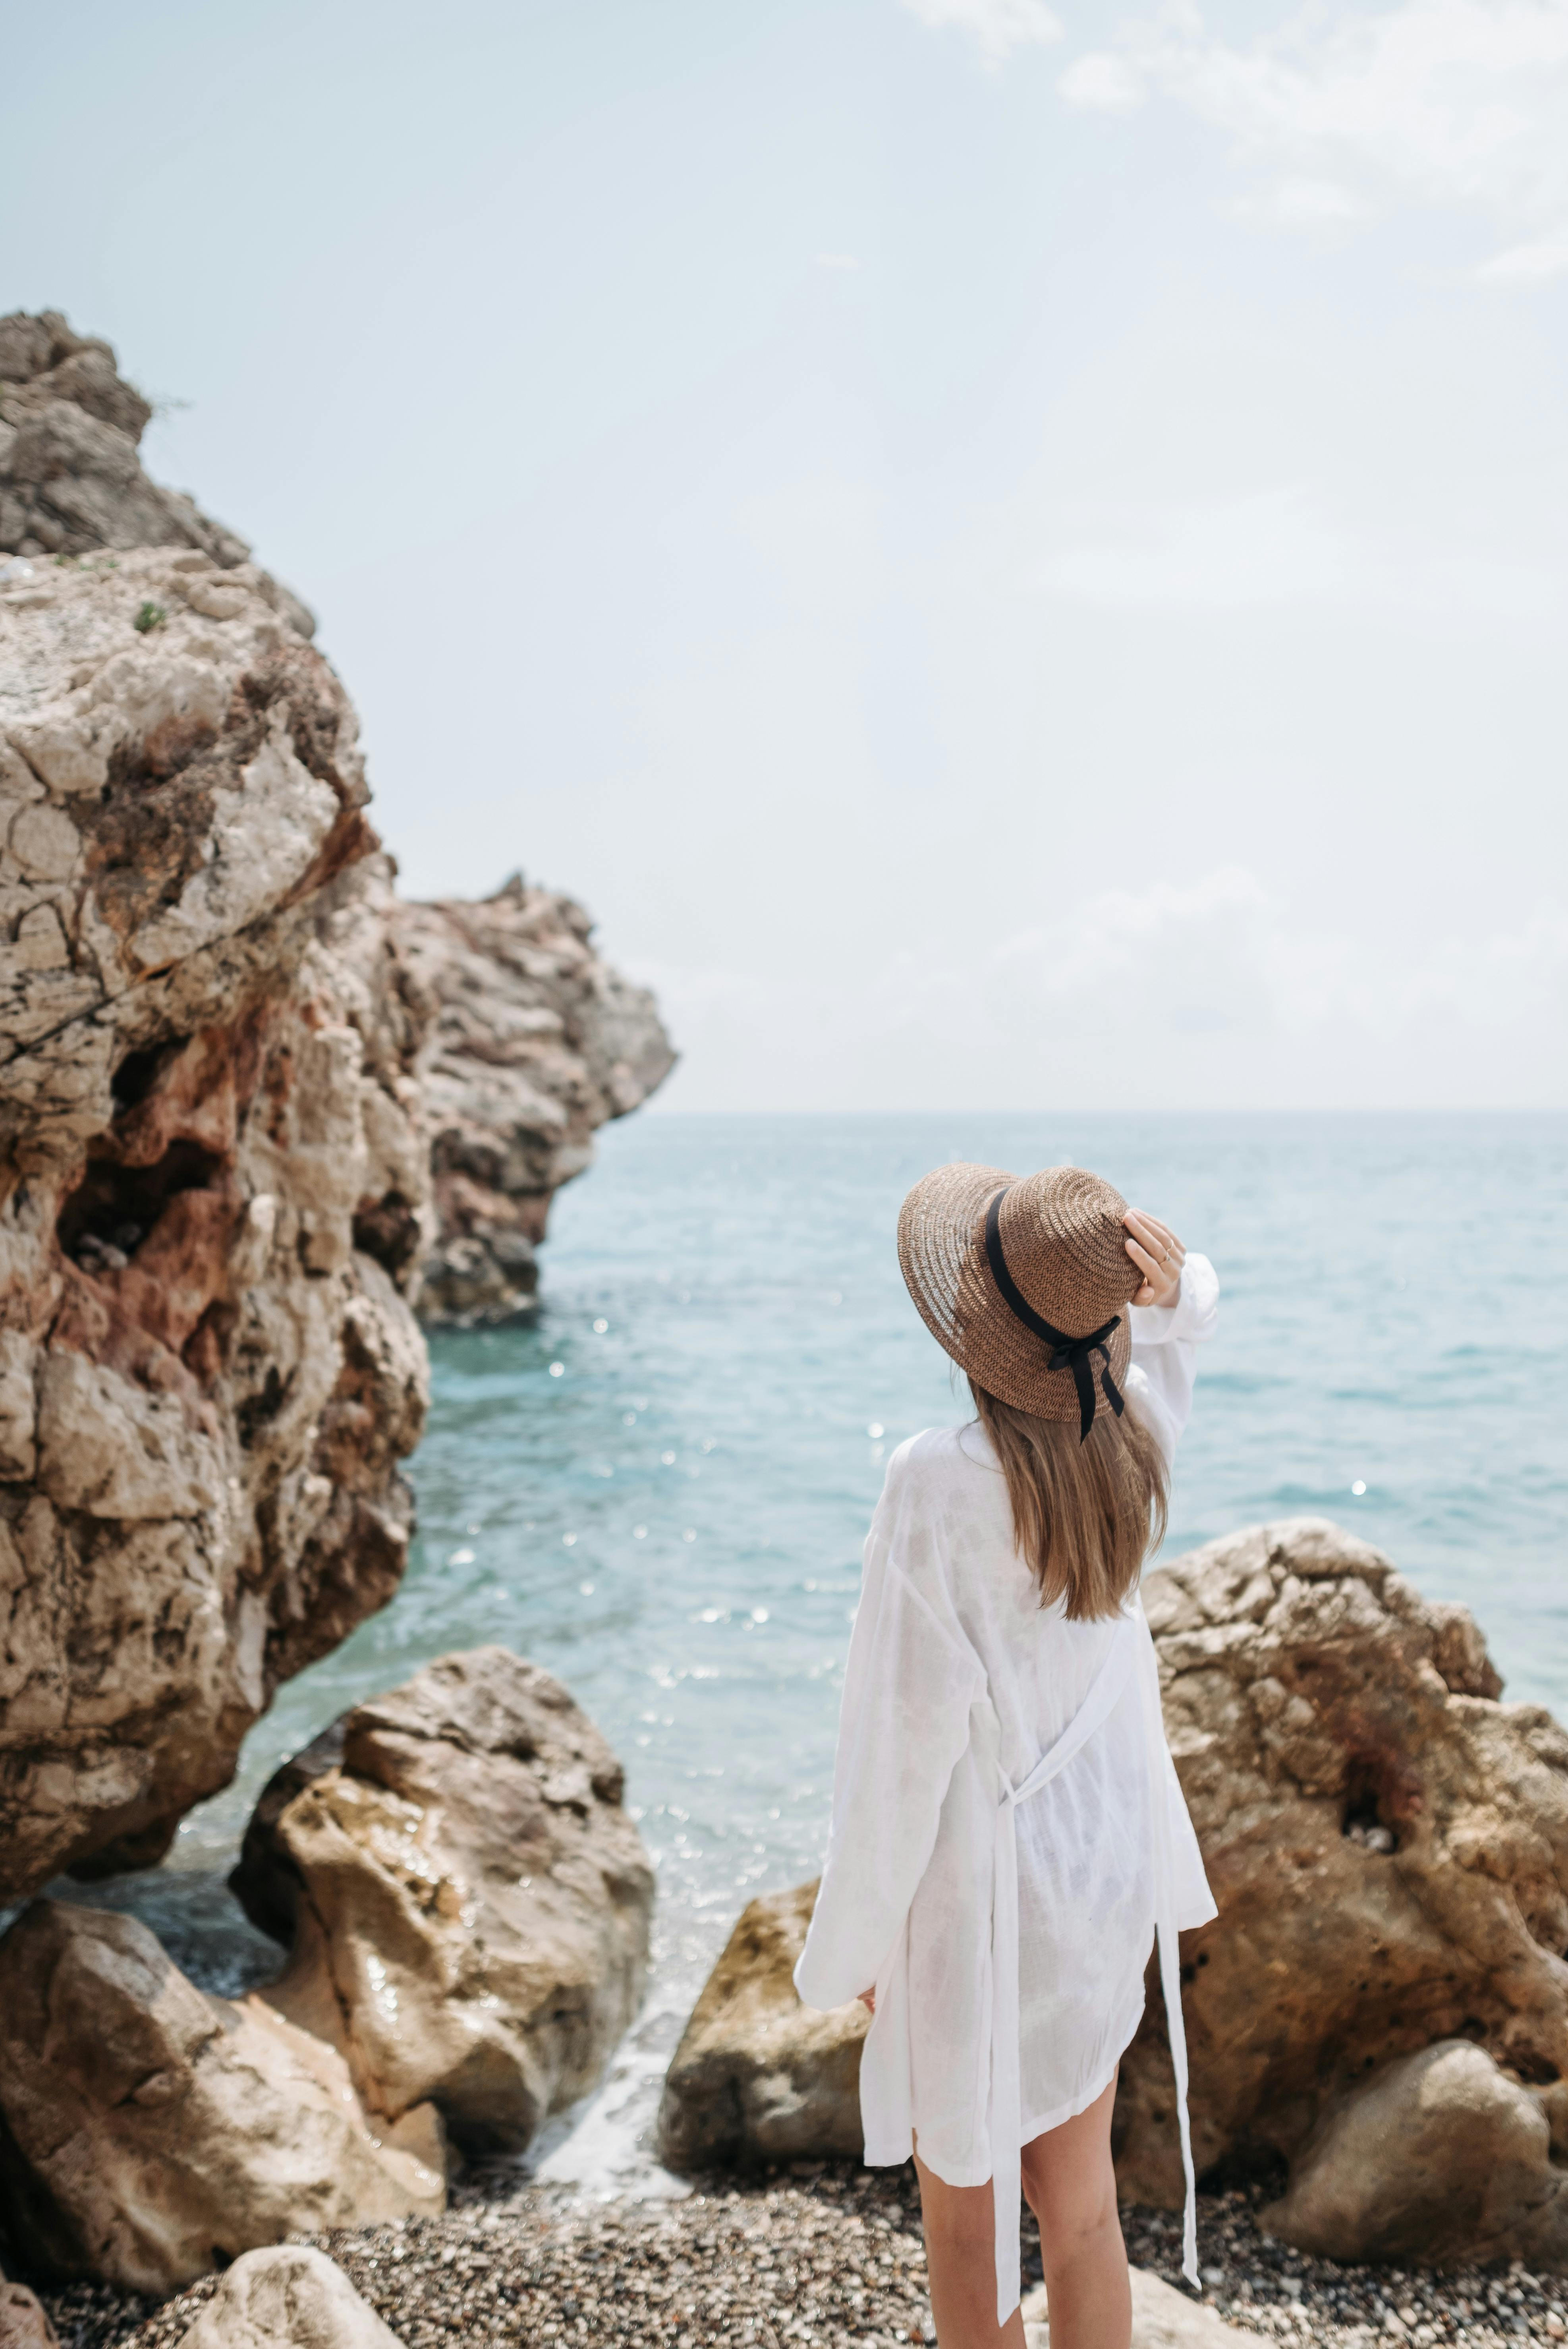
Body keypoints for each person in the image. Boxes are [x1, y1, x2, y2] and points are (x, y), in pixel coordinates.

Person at [794, 1163, 1220, 2349]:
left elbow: (896, 1739)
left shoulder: (935, 1481)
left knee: (967, 2231)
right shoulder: (1128, 1439)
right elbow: (1183, 1342)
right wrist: (1180, 1290)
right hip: (1094, 1871)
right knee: (1081, 2213)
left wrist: (860, 1936)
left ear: (977, 1329)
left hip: (978, 1901)